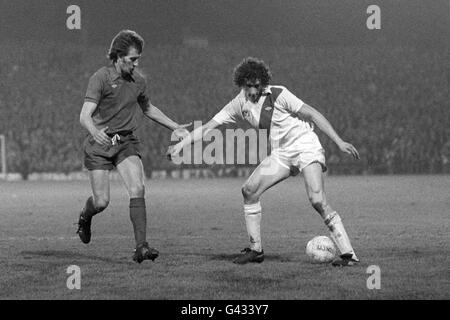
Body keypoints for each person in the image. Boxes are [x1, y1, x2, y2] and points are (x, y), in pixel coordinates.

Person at [167, 57, 360, 266]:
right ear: (241, 84)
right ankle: (255, 250)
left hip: (305, 146)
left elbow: (312, 113)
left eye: (256, 86)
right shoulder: (238, 103)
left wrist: (339, 141)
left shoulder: (279, 94)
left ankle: (349, 255)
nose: (252, 91)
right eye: (248, 86)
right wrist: (180, 145)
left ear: (263, 84)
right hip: (281, 153)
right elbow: (208, 127)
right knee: (249, 190)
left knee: (317, 200)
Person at [77, 30, 189, 263]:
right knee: (101, 202)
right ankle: (85, 217)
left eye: (138, 58)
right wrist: (95, 133)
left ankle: (141, 247)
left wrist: (174, 126)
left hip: (125, 141)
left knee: (138, 188)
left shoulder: (139, 80)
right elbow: (84, 116)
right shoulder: (101, 78)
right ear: (118, 57)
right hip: (100, 145)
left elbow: (147, 108)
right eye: (132, 59)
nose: (136, 63)